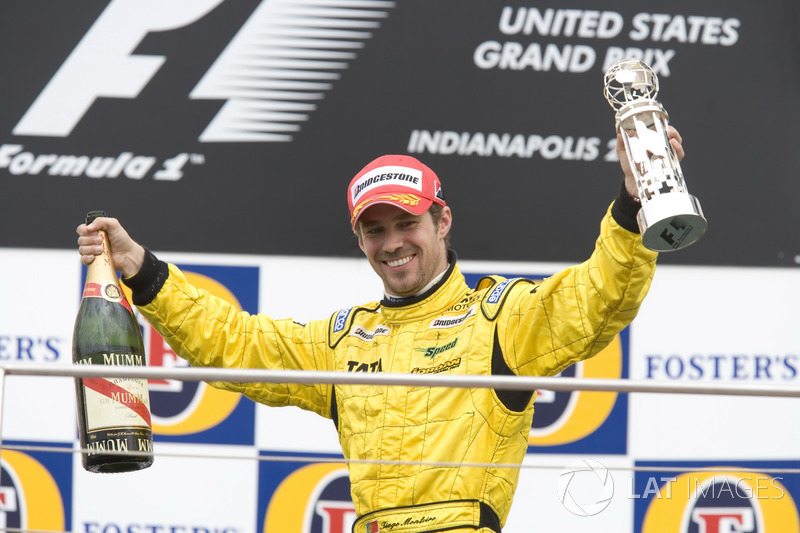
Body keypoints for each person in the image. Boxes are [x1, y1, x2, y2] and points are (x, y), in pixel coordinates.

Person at [78, 128, 684, 533]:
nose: (392, 243)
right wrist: (141, 269)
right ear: (359, 239)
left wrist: (633, 206)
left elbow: (598, 298)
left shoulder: (505, 317)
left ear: (442, 220)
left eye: (407, 223)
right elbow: (234, 344)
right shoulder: (344, 338)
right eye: (375, 230)